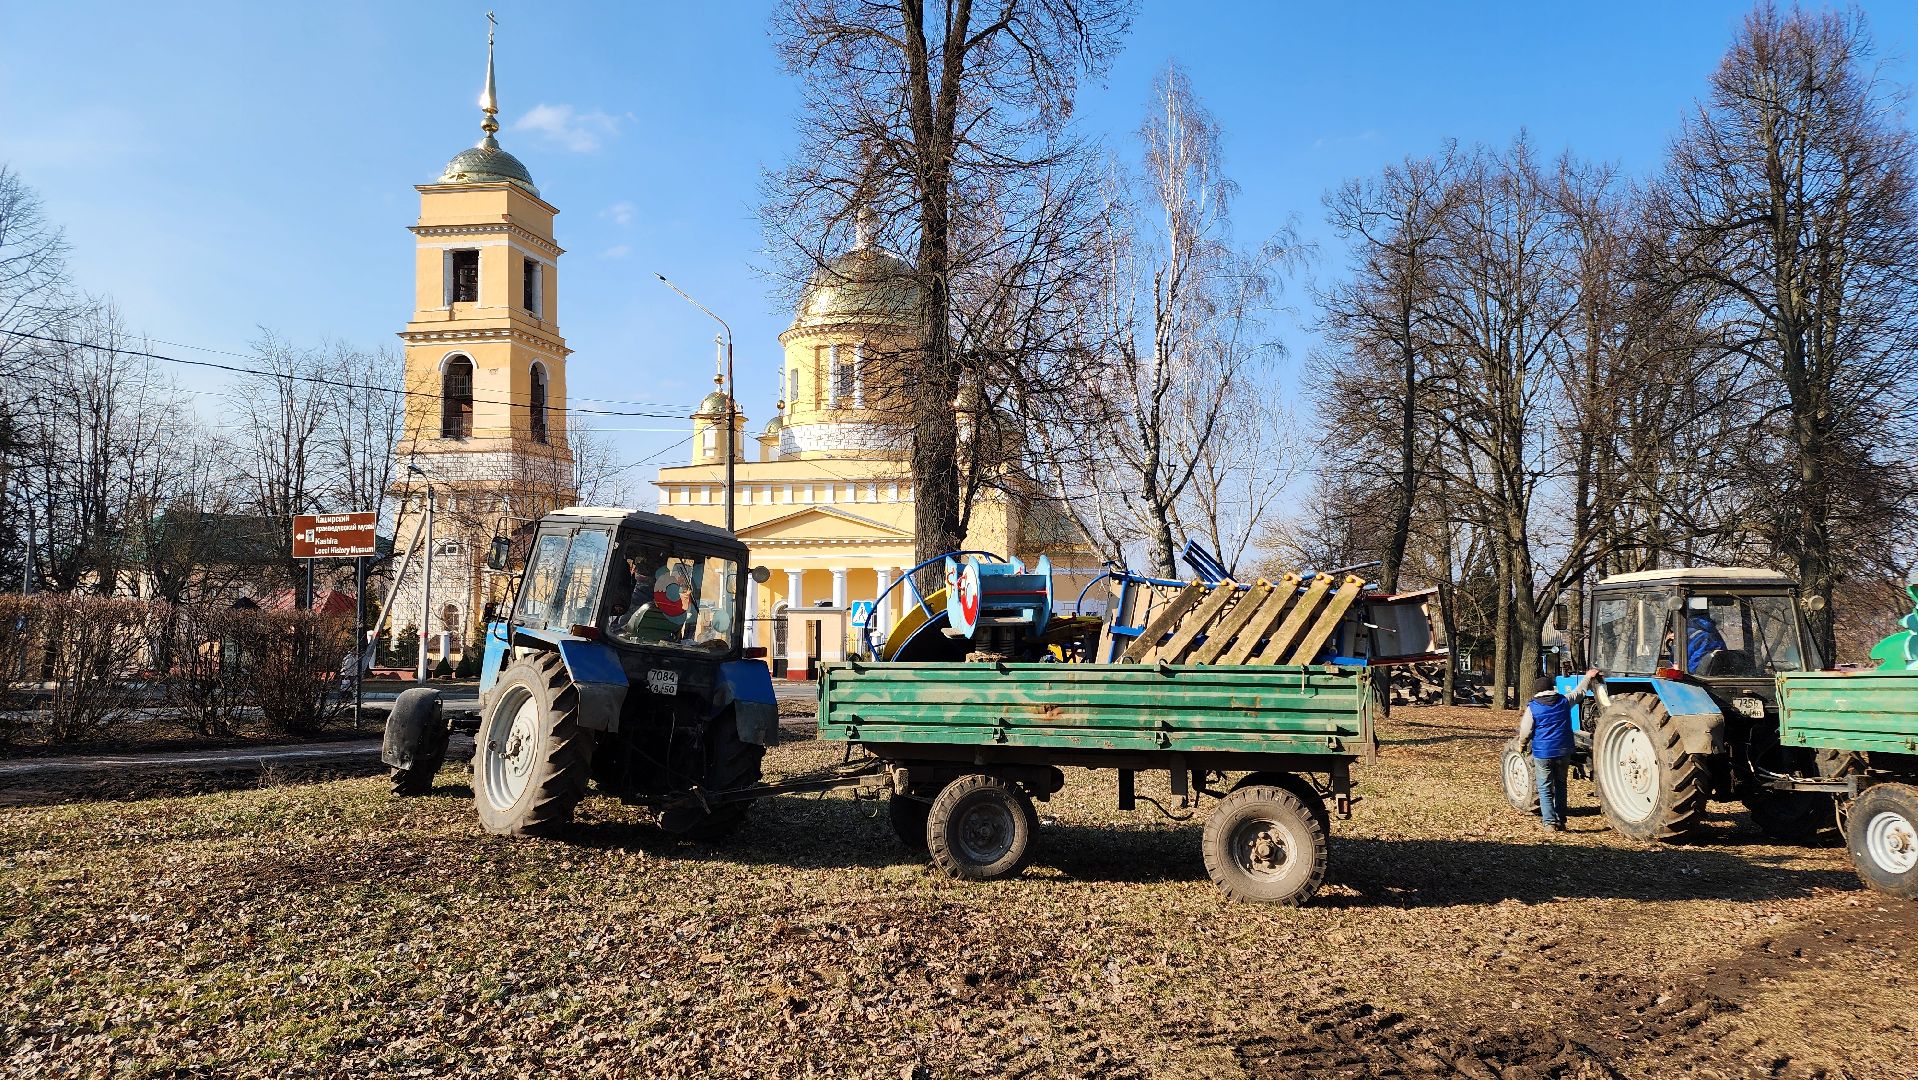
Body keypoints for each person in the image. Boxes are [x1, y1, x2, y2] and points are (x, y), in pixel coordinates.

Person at [1517, 668, 1600, 832]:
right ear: (1552, 688)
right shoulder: (1564, 701)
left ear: (1537, 691)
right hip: (1563, 751)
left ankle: (1549, 822)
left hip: (1543, 753)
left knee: (1545, 787)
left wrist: (1522, 744)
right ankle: (1561, 819)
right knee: (1561, 784)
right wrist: (1588, 677)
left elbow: (1525, 731)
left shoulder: (1533, 707)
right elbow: (1580, 692)